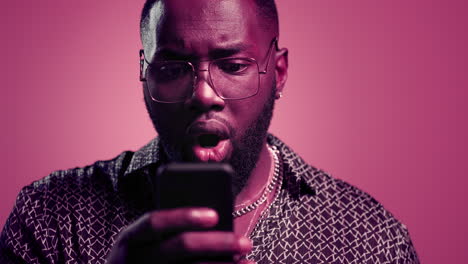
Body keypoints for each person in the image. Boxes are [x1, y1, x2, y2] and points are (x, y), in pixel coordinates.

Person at [0, 0, 419, 263]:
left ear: (278, 72)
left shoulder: (370, 239)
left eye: (233, 65)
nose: (202, 93)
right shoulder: (52, 218)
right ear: (145, 76)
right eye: (171, 68)